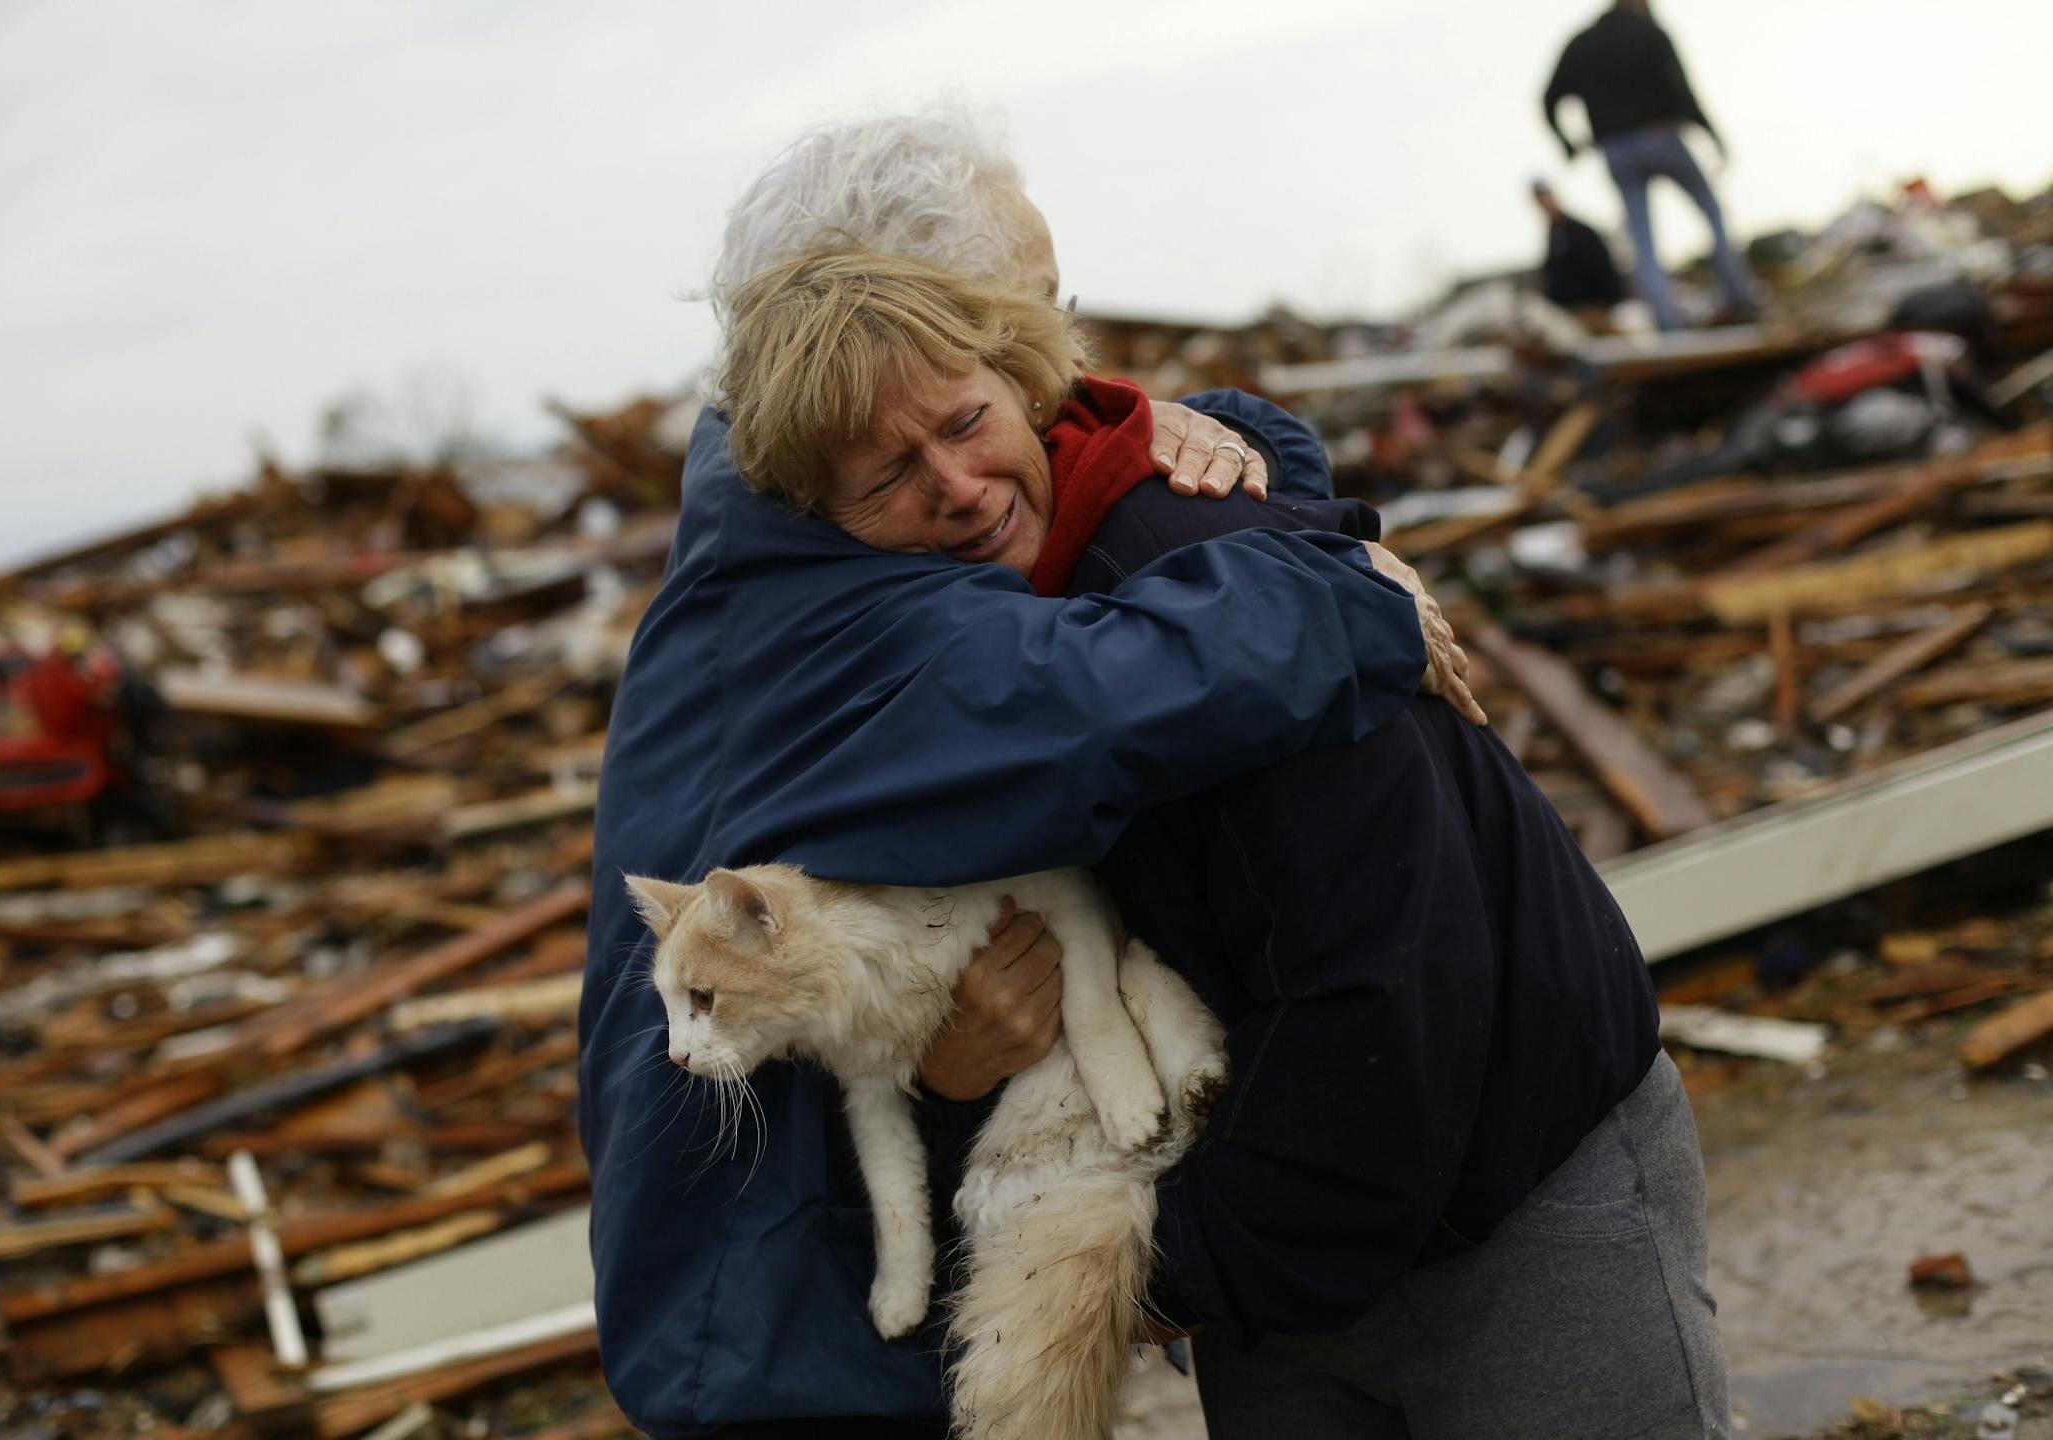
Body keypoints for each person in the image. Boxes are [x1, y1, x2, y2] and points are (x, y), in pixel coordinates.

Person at [716, 245, 1730, 1439]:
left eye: (965, 421)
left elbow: (1388, 980)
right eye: (889, 472)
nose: (954, 483)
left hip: (1517, 1203)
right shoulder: (945, 670)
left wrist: (1184, 1273)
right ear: (826, 524)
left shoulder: (1200, 574)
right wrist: (962, 1074)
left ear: (1023, 382)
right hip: (1282, 1246)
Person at [581, 111, 1475, 1439]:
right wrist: (1349, 588)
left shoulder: (791, 509)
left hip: (799, 1280)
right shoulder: (829, 594)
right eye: (1022, 310)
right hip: (778, 1325)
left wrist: (1228, 440)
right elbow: (1103, 697)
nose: (1055, 364)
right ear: (873, 324)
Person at [1544, 0, 1760, 330]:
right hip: (1661, 135)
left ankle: (1668, 323)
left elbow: (1548, 98)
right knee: (1712, 213)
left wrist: (1569, 146)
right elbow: (1684, 89)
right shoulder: (1649, 32)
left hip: (1615, 149)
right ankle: (1739, 297)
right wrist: (1711, 134)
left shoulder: (1581, 44)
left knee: (1642, 241)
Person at [1534, 178, 1625, 334]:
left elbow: (1600, 267)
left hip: (1594, 310)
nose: (1545, 202)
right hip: (1570, 313)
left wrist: (1606, 302)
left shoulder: (1579, 232)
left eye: (1546, 195)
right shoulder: (1553, 236)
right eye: (1540, 198)